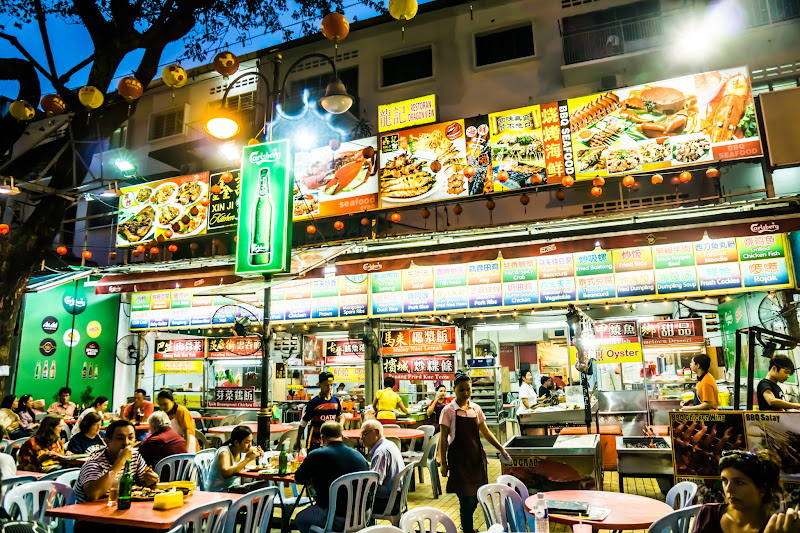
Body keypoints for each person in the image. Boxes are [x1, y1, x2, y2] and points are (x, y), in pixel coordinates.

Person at [439, 371, 510, 533]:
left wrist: (501, 449)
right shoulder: (449, 411)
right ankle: (468, 529)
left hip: (477, 460)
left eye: (468, 389)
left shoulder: (476, 409)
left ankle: (465, 523)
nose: (465, 393)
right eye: (461, 389)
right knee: (465, 499)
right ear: (454, 389)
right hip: (459, 462)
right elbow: (443, 439)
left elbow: (486, 432)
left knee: (477, 497)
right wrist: (443, 463)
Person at [294, 422, 369, 533]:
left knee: (300, 518)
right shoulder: (359, 456)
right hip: (362, 515)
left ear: (322, 438)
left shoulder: (317, 455)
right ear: (342, 437)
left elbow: (298, 479)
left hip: (334, 516)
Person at [692, 450, 784, 533]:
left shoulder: (775, 528)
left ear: (762, 490)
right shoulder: (709, 515)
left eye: (739, 482)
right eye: (725, 480)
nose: (728, 488)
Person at [74, 420, 159, 504]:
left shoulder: (135, 456)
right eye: (120, 438)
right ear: (107, 442)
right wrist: (120, 463)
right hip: (90, 514)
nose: (126, 442)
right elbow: (93, 494)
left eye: (130, 438)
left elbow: (145, 483)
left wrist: (152, 480)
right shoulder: (95, 462)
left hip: (120, 509)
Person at [360, 420, 404, 515]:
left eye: (365, 434)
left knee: (351, 500)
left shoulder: (381, 452)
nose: (361, 438)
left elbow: (374, 483)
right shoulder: (390, 444)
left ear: (376, 432)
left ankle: (367, 529)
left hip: (386, 502)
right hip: (397, 497)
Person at [294, 372, 343, 452]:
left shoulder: (336, 401)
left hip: (331, 441)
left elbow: (340, 417)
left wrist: (339, 428)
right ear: (319, 385)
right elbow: (303, 423)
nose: (329, 387)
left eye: (331, 385)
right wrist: (298, 440)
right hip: (315, 442)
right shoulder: (314, 403)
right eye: (326, 385)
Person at [205, 425, 264, 492]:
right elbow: (225, 473)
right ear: (236, 443)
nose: (250, 445)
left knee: (264, 486)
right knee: (256, 492)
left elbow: (257, 450)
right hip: (219, 491)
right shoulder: (224, 452)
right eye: (247, 442)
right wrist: (247, 459)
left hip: (234, 488)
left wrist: (260, 451)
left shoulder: (244, 449)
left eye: (251, 441)